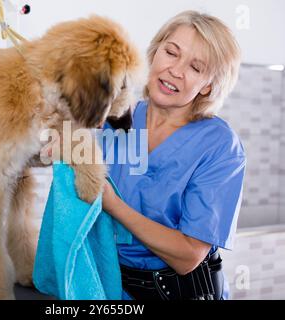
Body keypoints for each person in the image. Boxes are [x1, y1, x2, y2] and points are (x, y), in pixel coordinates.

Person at [101, 10, 246, 300]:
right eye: (171, 52)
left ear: (208, 84)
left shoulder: (219, 145)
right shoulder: (115, 115)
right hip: (111, 287)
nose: (175, 70)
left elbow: (189, 254)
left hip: (177, 292)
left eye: (195, 67)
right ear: (155, 52)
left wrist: (112, 204)